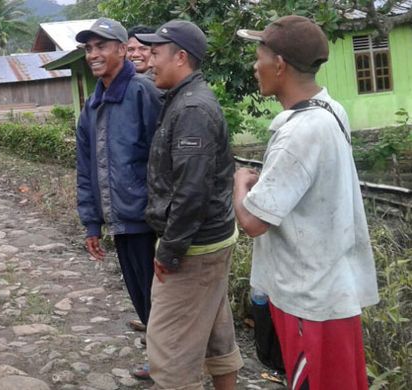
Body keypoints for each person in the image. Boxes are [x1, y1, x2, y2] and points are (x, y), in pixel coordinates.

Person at [234, 16, 379, 390]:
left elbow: (252, 222)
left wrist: (241, 183)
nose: (255, 65)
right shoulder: (330, 110)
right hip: (331, 287)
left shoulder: (299, 134)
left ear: (279, 65)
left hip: (308, 301)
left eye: (259, 56)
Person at [137, 20, 242, 389]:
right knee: (216, 330)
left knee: (168, 352)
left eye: (155, 54)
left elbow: (191, 191)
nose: (149, 62)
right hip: (210, 241)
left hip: (194, 247)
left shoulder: (192, 109)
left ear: (180, 57)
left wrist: (169, 251)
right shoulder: (181, 99)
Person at [73, 17, 162, 377]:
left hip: (151, 220)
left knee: (162, 298)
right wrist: (92, 222)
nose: (93, 54)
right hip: (120, 220)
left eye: (101, 46)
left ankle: (170, 364)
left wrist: (164, 213)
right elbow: (86, 169)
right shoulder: (91, 108)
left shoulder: (143, 92)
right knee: (140, 294)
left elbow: (163, 156)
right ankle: (161, 360)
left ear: (123, 50)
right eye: (89, 49)